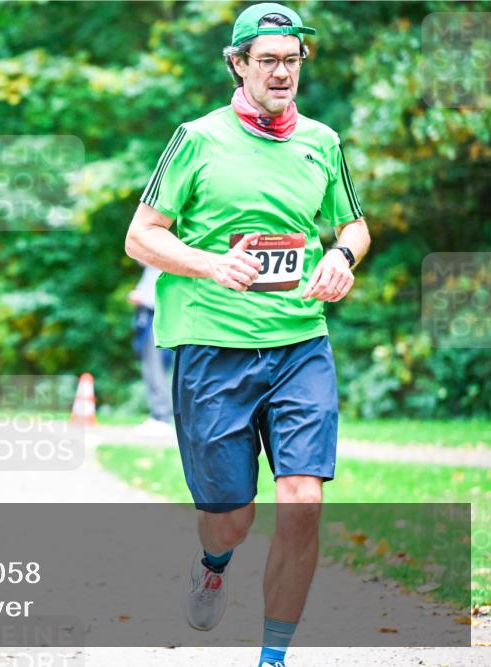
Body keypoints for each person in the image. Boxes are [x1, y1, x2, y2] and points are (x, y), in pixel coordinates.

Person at [124, 4, 370, 666]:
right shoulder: (196, 139)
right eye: (268, 60)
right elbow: (140, 234)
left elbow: (353, 225)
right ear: (238, 64)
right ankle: (212, 561)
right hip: (213, 350)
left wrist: (340, 258)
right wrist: (210, 262)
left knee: (302, 501)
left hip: (299, 346)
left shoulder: (322, 141)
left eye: (292, 59)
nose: (283, 72)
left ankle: (274, 655)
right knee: (230, 517)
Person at [129, 264, 175, 438]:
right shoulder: (151, 267)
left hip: (154, 319)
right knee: (153, 369)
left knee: (155, 369)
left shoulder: (159, 266)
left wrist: (140, 298)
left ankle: (161, 416)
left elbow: (157, 297)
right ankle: (159, 415)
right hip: (151, 319)